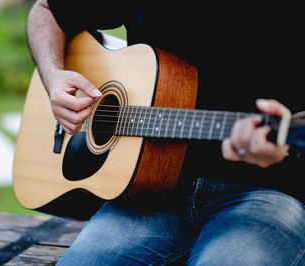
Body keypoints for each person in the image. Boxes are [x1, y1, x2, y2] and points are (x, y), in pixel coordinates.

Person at [26, 1, 305, 265]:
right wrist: (53, 77)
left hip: (269, 194)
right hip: (148, 195)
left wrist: (285, 145)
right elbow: (47, 9)